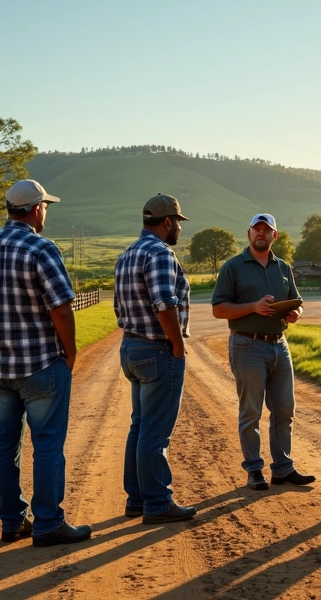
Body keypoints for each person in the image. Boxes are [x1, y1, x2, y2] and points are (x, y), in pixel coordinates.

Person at [0, 179, 87, 547]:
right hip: (40, 364)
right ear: (35, 209)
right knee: (47, 444)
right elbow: (60, 308)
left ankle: (11, 520)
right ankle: (48, 523)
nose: (45, 212)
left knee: (4, 444)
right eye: (45, 206)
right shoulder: (41, 248)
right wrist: (70, 352)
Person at [211, 213, 315, 491]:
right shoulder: (233, 266)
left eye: (266, 230)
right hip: (247, 345)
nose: (261, 233)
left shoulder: (283, 267)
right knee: (251, 412)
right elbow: (218, 309)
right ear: (248, 234)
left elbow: (297, 301)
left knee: (284, 409)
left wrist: (296, 313)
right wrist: (253, 307)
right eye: (256, 229)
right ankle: (254, 469)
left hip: (279, 344)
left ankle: (283, 468)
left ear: (274, 236)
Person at [113, 194, 196, 524]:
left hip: (131, 347)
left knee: (140, 425)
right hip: (158, 350)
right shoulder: (160, 253)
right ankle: (158, 502)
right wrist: (177, 345)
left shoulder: (127, 254)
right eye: (178, 223)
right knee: (155, 430)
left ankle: (137, 498)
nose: (179, 229)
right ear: (167, 222)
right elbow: (164, 303)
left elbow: (119, 307)